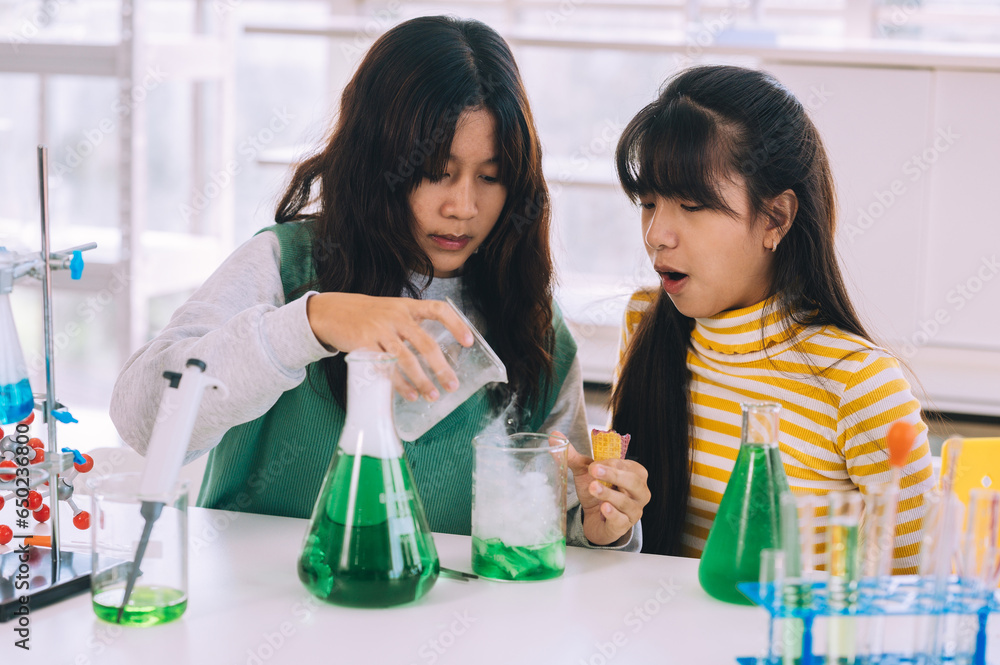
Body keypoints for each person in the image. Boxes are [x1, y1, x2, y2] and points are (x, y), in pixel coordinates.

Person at [110, 16, 648, 550]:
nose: (462, 207)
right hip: (266, 616)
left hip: (457, 622)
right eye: (437, 170)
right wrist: (311, 324)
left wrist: (597, 527)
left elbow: (556, 528)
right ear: (377, 161)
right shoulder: (284, 264)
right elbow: (142, 423)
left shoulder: (533, 321)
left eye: (490, 176)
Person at [610, 65, 932, 571]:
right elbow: (629, 551)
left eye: (692, 206)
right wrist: (602, 522)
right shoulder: (644, 323)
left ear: (776, 219)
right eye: (648, 202)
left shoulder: (860, 385)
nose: (657, 234)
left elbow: (905, 600)